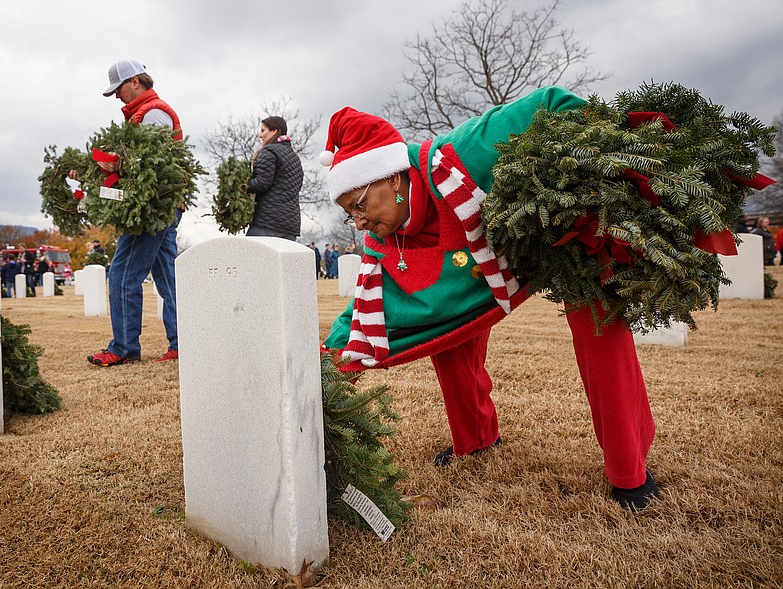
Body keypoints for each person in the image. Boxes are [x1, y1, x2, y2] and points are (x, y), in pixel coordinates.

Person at [320, 88, 660, 511]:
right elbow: (364, 311)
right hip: (484, 275)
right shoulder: (381, 242)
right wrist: (323, 362)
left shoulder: (465, 153)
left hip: (563, 235)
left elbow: (551, 102)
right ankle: (476, 440)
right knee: (443, 332)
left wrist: (587, 176)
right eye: (350, 214)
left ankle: (630, 472)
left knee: (597, 326)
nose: (359, 221)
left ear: (390, 176)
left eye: (358, 205)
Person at [74, 59, 183, 367]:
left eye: (118, 89)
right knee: (167, 277)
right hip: (163, 207)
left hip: (153, 209)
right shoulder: (142, 113)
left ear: (135, 81)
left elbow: (152, 162)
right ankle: (181, 342)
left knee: (123, 274)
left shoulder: (153, 112)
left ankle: (123, 347)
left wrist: (115, 164)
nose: (117, 97)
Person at [244, 116, 303, 241]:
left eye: (263, 130)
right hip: (290, 227)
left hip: (267, 223)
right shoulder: (294, 157)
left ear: (274, 131)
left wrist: (244, 185)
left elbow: (261, 183)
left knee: (247, 258)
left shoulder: (270, 151)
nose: (260, 135)